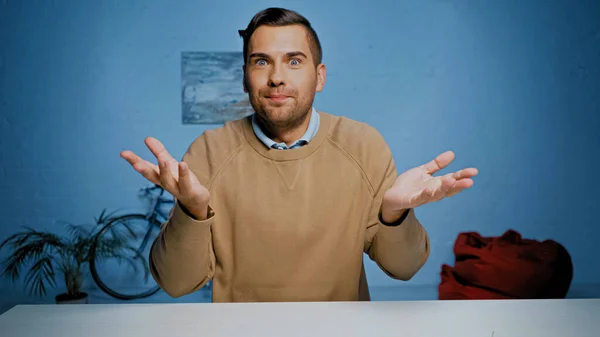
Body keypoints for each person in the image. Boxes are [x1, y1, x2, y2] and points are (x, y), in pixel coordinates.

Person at [120, 7, 478, 302]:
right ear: (245, 78)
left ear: (319, 76)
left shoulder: (364, 145)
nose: (276, 77)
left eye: (294, 61)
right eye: (261, 62)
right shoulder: (209, 151)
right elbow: (176, 282)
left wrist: (395, 214)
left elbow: (404, 268)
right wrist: (191, 211)